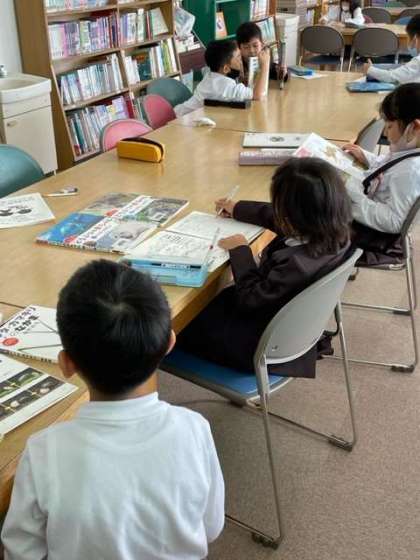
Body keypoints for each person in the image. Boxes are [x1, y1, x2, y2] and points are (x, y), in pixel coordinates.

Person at [1, 260, 225, 560]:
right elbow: (210, 527)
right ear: (169, 342)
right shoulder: (194, 428)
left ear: (66, 364)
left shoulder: (44, 451)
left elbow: (20, 552)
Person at [177, 158, 354, 375]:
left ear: (292, 216)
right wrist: (238, 208)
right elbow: (273, 215)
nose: (278, 213)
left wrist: (241, 251)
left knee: (173, 324)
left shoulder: (297, 265)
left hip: (255, 341)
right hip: (284, 325)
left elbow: (250, 299)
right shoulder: (332, 232)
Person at [343, 83, 420, 259]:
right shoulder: (411, 154)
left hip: (372, 236)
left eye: (390, 126)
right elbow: (392, 166)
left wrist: (354, 198)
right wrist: (368, 158)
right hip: (368, 213)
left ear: (414, 128)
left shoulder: (411, 172)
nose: (385, 132)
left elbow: (394, 221)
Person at [174, 39, 270, 117]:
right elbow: (257, 95)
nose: (240, 61)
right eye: (238, 58)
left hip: (181, 114)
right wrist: (265, 65)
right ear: (226, 69)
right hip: (178, 121)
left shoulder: (212, 76)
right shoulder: (224, 86)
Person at [364, 14, 420, 84]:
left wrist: (369, 69)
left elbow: (392, 77)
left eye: (407, 37)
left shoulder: (417, 61)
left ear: (415, 38)